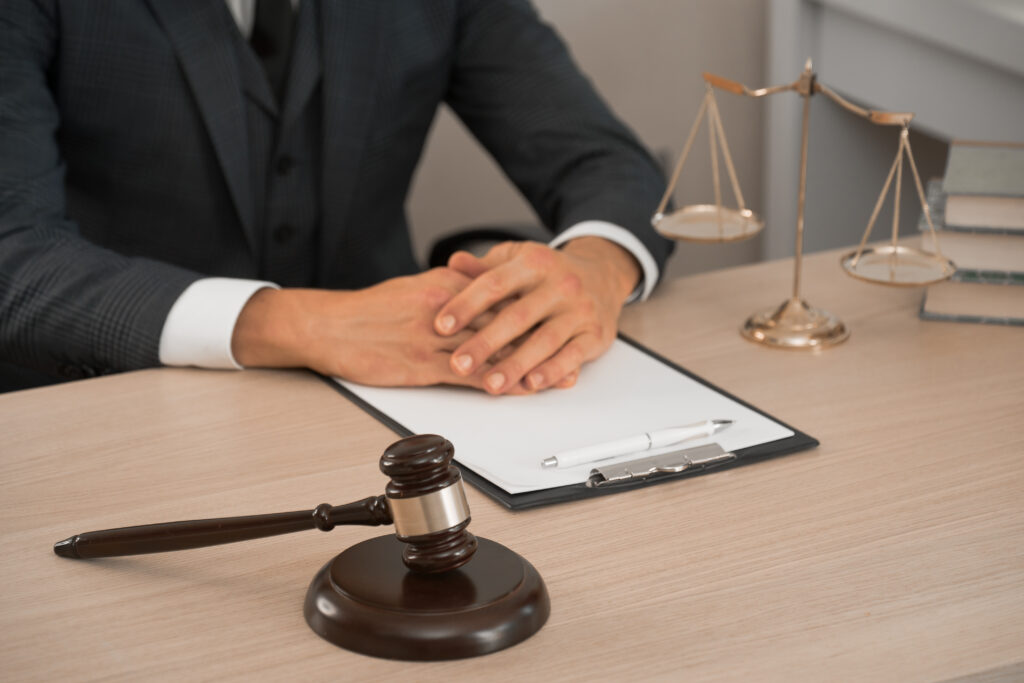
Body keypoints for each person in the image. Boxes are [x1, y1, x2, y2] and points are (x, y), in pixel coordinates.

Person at [0, 0, 674, 394]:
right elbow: (13, 257)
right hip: (111, 400)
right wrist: (299, 324)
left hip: (396, 409)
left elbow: (604, 160)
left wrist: (596, 267)